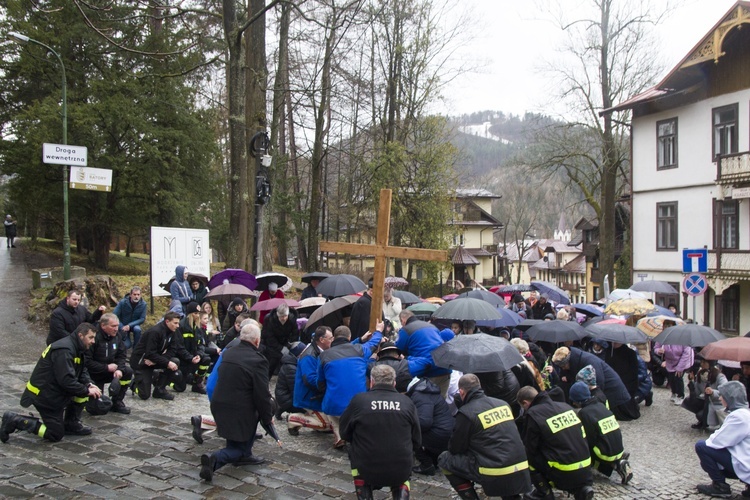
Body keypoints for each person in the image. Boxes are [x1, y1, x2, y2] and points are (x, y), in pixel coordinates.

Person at [1, 323, 102, 443]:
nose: (93, 341)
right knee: (55, 434)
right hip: (45, 396)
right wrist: (86, 390)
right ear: (81, 335)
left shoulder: (76, 347)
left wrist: (89, 383)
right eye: (91, 337)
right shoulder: (65, 350)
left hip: (55, 392)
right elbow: (66, 381)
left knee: (83, 392)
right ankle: (16, 420)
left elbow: (81, 369)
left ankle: (71, 424)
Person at [199, 323, 275, 482]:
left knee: (236, 437)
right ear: (257, 341)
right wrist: (267, 418)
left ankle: (243, 453)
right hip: (239, 411)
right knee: (238, 450)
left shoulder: (229, 353)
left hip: (219, 404)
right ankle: (216, 458)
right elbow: (262, 395)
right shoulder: (258, 360)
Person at [438, 374, 531, 500]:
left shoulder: (467, 413)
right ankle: (511, 496)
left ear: (461, 392)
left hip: (495, 471)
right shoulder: (503, 404)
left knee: (444, 459)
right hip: (521, 465)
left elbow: (455, 448)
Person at [340, 364, 421, 500]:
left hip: (366, 467)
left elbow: (344, 433)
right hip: (401, 468)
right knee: (405, 461)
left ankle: (364, 494)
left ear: (371, 382)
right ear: (394, 383)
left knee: (352, 449)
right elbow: (417, 439)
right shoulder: (407, 402)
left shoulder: (359, 401)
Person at [517, 386, 594, 500]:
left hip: (563, 471)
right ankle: (580, 489)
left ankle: (544, 492)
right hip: (586, 467)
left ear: (525, 402)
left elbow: (530, 448)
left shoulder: (534, 414)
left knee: (526, 457)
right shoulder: (565, 406)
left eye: (523, 406)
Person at [317, 323, 383, 448]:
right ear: (349, 336)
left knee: (330, 406)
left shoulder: (323, 356)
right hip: (359, 405)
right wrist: (379, 330)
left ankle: (339, 434)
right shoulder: (359, 350)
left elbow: (320, 381)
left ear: (334, 338)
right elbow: (374, 343)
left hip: (334, 405)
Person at [568, 382, 632, 485]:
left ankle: (615, 465)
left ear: (577, 400)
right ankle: (618, 459)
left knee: (583, 449)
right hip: (619, 447)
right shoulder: (600, 405)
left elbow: (589, 439)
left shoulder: (585, 413)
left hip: (605, 453)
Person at [694, 381, 750, 498]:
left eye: (722, 396)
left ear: (730, 398)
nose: (720, 398)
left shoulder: (739, 416)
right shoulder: (745, 413)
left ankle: (720, 486)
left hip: (746, 464)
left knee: (701, 446)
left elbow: (717, 441)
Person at [552, 346, 636, 421]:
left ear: (568, 361)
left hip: (617, 398)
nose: (563, 368)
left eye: (563, 366)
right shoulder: (578, 360)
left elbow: (599, 382)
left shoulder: (588, 361)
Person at [288, 326, 336, 437]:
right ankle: (294, 419)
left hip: (315, 394)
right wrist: (326, 387)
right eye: (330, 338)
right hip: (309, 396)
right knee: (326, 424)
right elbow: (309, 380)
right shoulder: (309, 356)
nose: (332, 340)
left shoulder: (318, 351)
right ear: (322, 340)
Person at [84, 313, 132, 415]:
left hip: (110, 371)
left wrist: (120, 369)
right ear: (103, 326)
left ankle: (117, 401)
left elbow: (122, 355)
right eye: (113, 326)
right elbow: (86, 362)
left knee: (127, 371)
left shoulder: (116, 336)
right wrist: (106, 367)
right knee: (97, 410)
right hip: (94, 374)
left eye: (117, 326)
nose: (116, 329)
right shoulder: (94, 337)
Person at [396, 309, 451, 397]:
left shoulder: (406, 330)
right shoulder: (432, 326)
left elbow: (398, 350)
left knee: (425, 402)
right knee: (441, 402)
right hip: (444, 367)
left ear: (403, 320)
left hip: (426, 370)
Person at [130, 311, 184, 401]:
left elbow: (173, 349)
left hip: (154, 359)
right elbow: (149, 353)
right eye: (175, 323)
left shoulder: (172, 331)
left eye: (178, 323)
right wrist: (165, 362)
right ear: (167, 321)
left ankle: (160, 389)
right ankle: (134, 384)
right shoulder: (155, 332)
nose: (177, 326)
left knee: (175, 361)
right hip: (142, 362)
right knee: (145, 395)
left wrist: (163, 361)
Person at [407, 376, 453, 476]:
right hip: (446, 432)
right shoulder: (428, 391)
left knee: (408, 433)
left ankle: (426, 464)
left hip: (439, 434)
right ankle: (433, 461)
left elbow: (424, 422)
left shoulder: (419, 395)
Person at [177, 301, 211, 394]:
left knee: (206, 359)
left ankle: (197, 383)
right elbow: (179, 347)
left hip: (194, 356)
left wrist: (199, 355)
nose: (197, 316)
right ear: (190, 314)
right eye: (195, 313)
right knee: (180, 388)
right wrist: (190, 357)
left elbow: (201, 344)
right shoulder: (182, 326)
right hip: (183, 358)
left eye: (198, 313)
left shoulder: (198, 327)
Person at [261, 303, 299, 377]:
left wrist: (289, 345)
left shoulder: (292, 319)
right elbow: (269, 337)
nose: (283, 318)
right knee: (271, 364)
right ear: (278, 315)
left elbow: (295, 334)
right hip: (271, 344)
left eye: (285, 316)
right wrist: (281, 348)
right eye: (281, 316)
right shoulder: (270, 319)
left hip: (285, 341)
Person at [654, 341, 694, 405]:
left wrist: (679, 368)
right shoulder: (664, 337)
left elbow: (686, 354)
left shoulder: (684, 340)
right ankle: (674, 392)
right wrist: (659, 351)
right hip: (670, 361)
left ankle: (680, 396)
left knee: (678, 376)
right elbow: (656, 348)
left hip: (683, 361)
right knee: (671, 377)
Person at [275, 342, 307, 419]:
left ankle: (284, 408)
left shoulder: (293, 363)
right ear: (299, 354)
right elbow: (295, 390)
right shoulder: (291, 368)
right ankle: (292, 416)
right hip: (286, 398)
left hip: (284, 396)